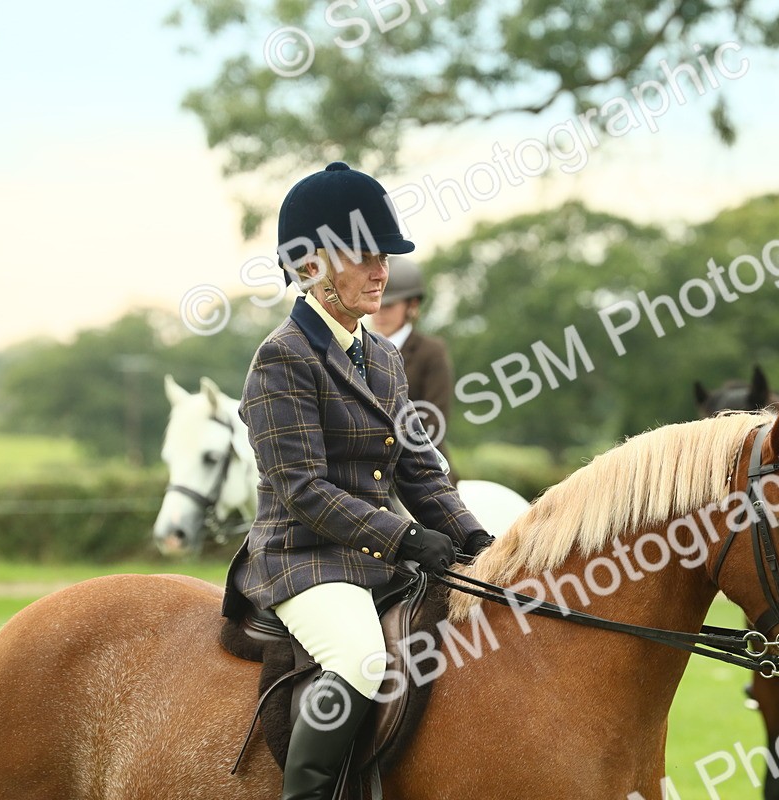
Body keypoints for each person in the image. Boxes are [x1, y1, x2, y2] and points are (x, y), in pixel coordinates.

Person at [224, 161, 495, 800]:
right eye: (368, 256)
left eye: (386, 257)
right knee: (361, 660)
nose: (384, 271)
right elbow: (303, 490)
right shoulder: (281, 358)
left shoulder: (384, 357)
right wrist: (403, 539)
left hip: (373, 558)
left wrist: (481, 542)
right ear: (313, 266)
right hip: (304, 560)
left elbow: (422, 471)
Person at [369, 256, 459, 480]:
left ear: (412, 305)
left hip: (422, 467)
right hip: (370, 470)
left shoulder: (431, 352)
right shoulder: (361, 349)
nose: (380, 313)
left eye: (388, 306)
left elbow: (433, 420)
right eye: (377, 304)